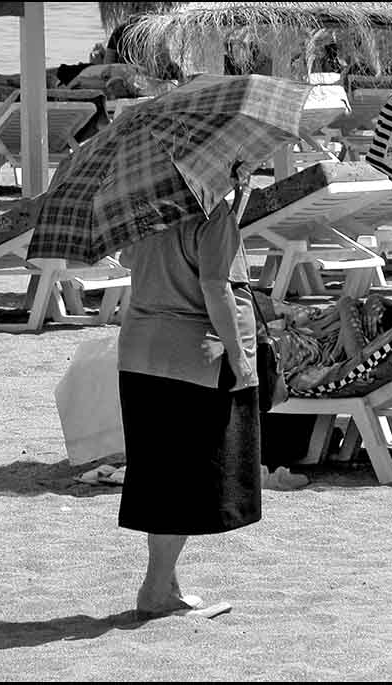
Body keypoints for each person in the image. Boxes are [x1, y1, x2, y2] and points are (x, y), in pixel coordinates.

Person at [115, 170, 261, 618]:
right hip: (191, 358)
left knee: (160, 475)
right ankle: (156, 590)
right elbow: (216, 289)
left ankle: (167, 586)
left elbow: (126, 259)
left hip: (139, 352)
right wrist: (238, 355)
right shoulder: (212, 215)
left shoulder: (146, 209)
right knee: (182, 481)